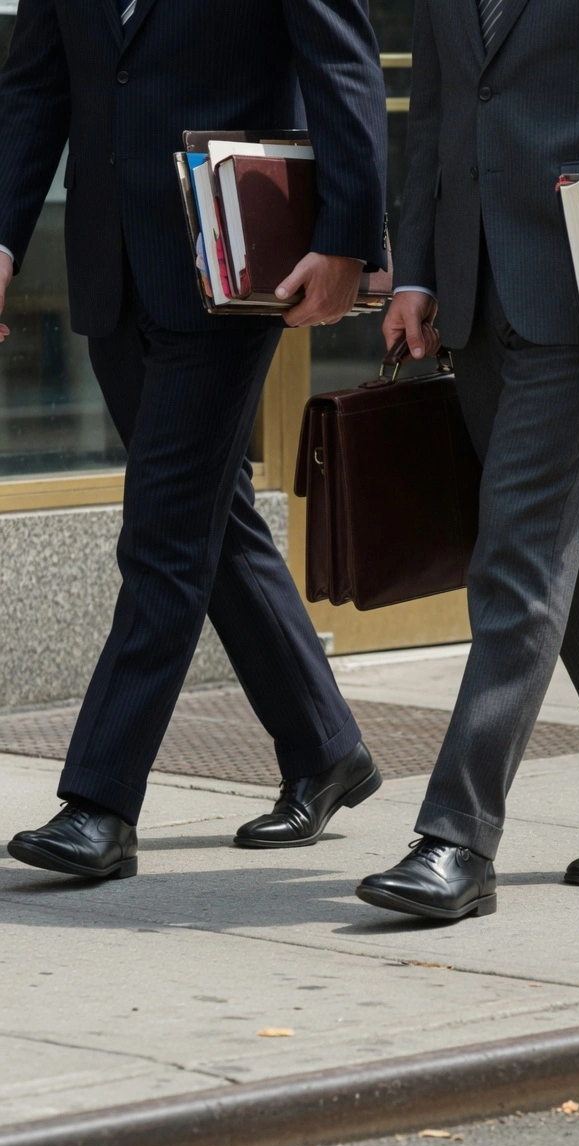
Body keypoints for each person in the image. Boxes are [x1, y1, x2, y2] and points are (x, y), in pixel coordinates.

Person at [0, 0, 387, 881]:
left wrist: (346, 238)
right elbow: (33, 89)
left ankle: (100, 801)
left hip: (233, 265)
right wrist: (3, 237)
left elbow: (344, 66)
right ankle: (325, 747)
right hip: (112, 269)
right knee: (211, 521)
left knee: (164, 537)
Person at [357, 0, 579, 922]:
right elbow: (434, 108)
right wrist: (417, 271)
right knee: (567, 535)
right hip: (476, 283)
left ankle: (456, 838)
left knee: (518, 550)